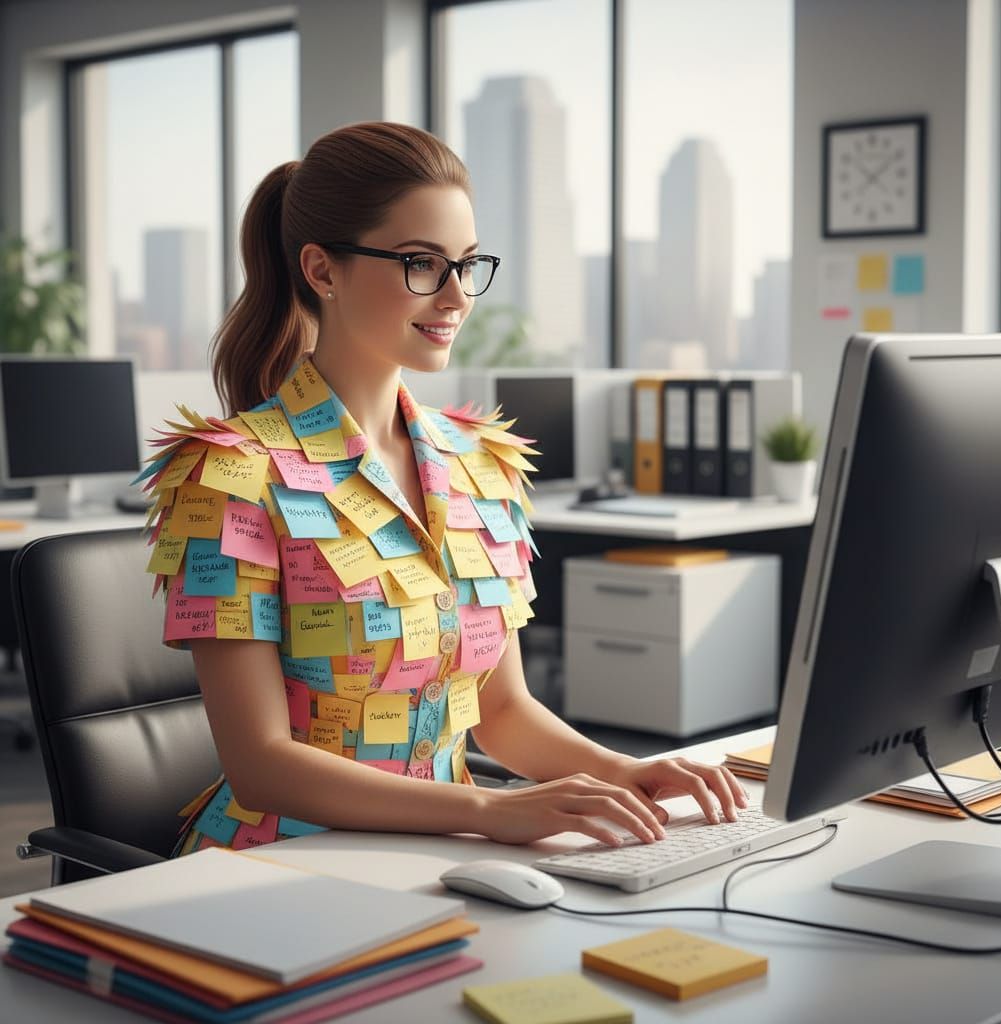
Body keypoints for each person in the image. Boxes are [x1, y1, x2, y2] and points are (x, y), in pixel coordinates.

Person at [140, 121, 746, 856]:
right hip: (280, 860)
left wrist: (626, 773)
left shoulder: (481, 464)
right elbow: (261, 766)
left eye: (467, 264)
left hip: (443, 850)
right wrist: (489, 810)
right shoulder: (233, 474)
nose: (457, 295)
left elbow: (502, 710)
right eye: (421, 264)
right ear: (322, 272)